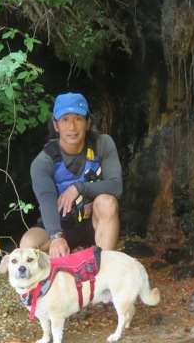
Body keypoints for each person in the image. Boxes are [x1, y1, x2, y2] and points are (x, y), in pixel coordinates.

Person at [19, 92, 122, 259]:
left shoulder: (103, 144)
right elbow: (46, 199)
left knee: (108, 203)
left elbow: (116, 186)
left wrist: (79, 187)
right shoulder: (43, 161)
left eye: (78, 119)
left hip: (94, 223)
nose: (72, 127)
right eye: (65, 120)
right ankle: (63, 268)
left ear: (88, 122)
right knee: (28, 245)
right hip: (62, 225)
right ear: (56, 124)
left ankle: (105, 267)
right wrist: (56, 236)